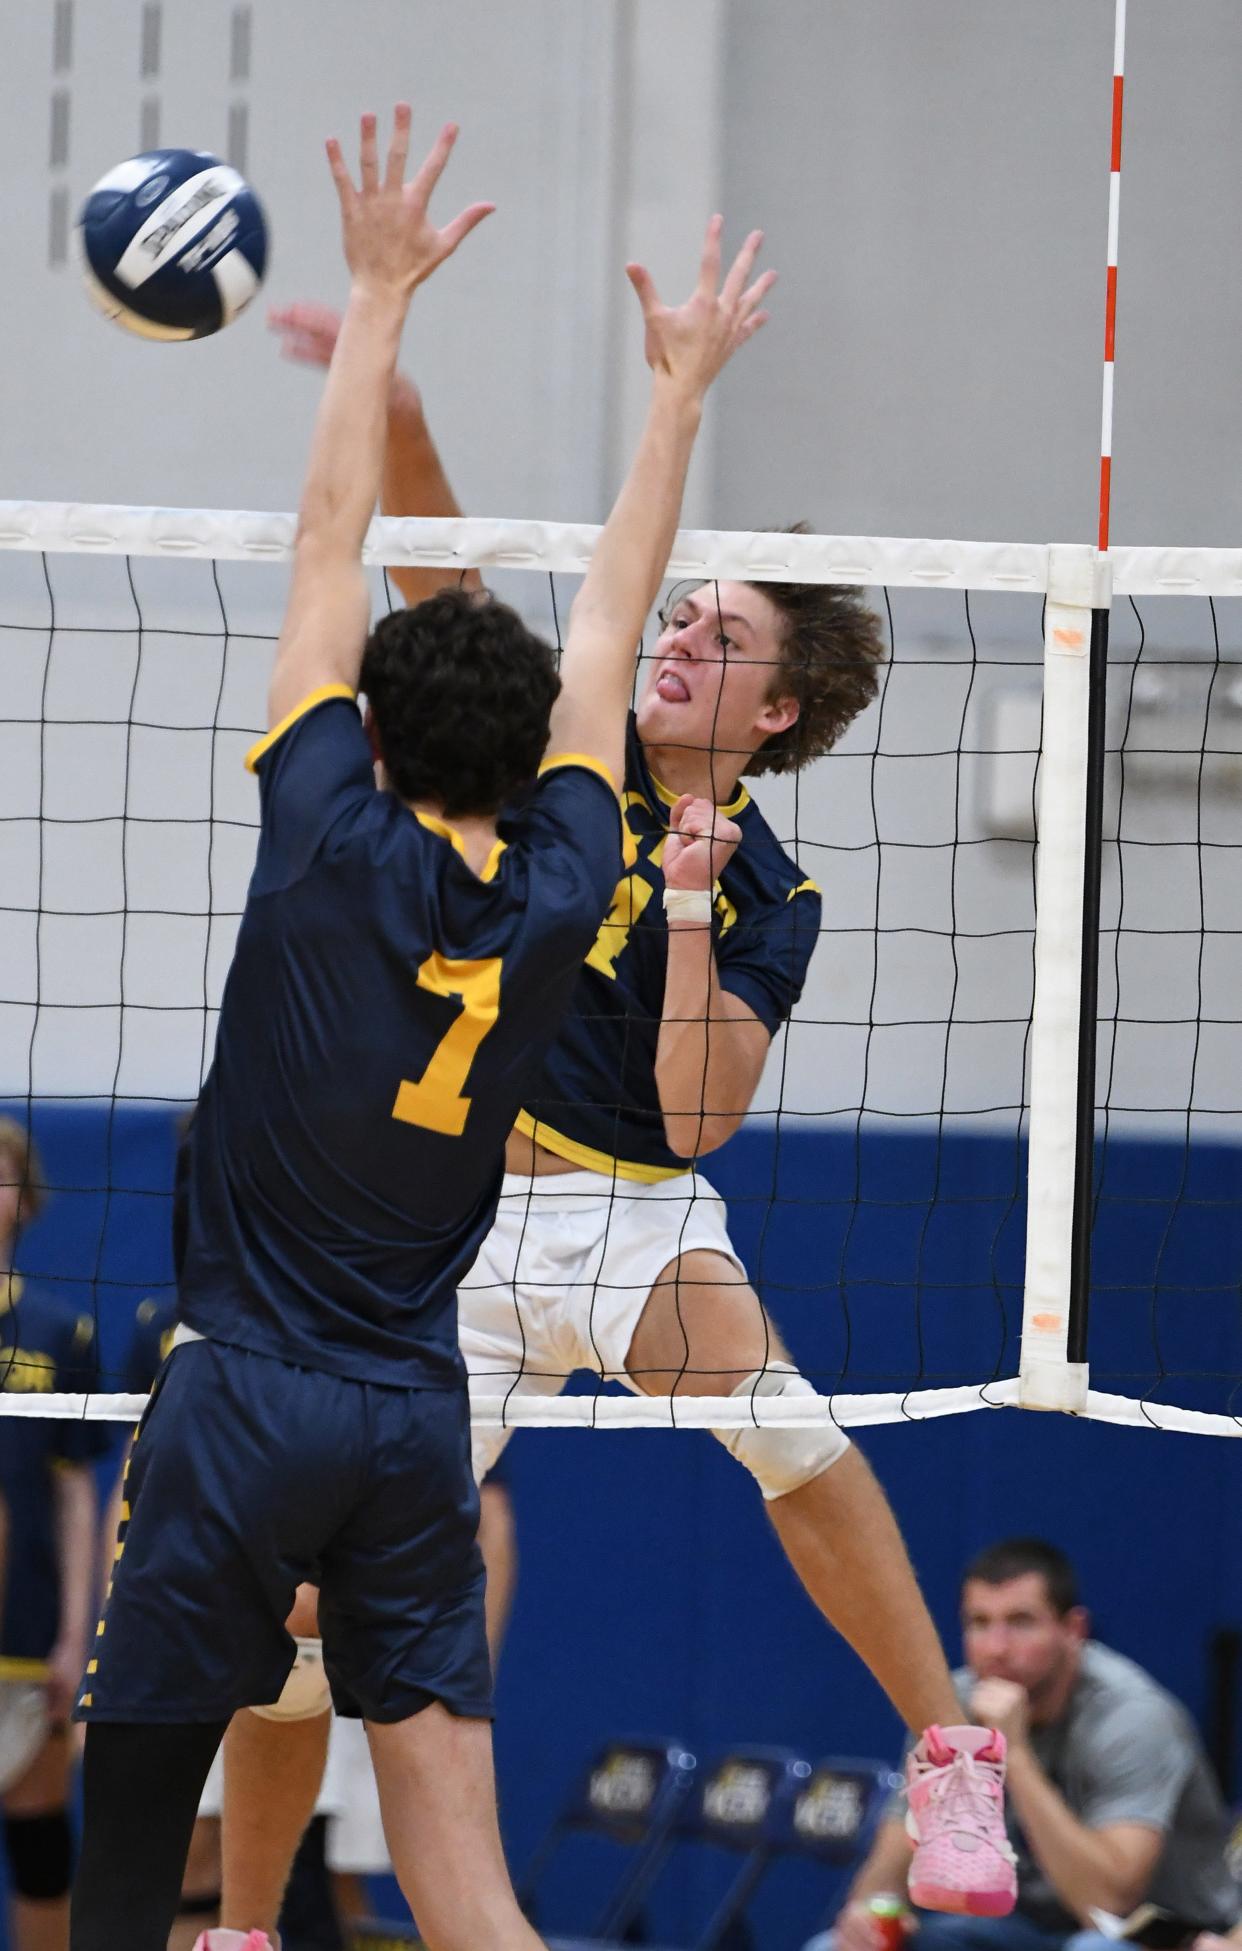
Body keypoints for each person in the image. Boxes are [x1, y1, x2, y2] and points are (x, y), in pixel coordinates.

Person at [225, 268, 1025, 1926]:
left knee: (773, 1411)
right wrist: (393, 392)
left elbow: (695, 1117)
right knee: (290, 1595)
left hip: (624, 1209)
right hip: (443, 1226)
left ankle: (950, 1755)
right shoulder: (551, 750)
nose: (675, 640)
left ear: (777, 708)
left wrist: (679, 901)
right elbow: (440, 573)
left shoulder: (769, 895)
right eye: (676, 616)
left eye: (718, 637)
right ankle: (242, 1914)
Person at [68, 102, 777, 1951]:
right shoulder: (569, 874)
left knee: (139, 1842)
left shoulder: (318, 839)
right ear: (541, 756)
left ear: (367, 736)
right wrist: (676, 396)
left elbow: (329, 536)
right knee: (462, 1889)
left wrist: (375, 297)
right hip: (408, 1414)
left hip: (237, 1391)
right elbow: (608, 623)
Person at [812, 1539, 1240, 1951]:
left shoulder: (1133, 1719)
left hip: (1158, 1936)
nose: (996, 1649)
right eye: (979, 1623)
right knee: (832, 1946)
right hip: (1016, 1927)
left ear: (1073, 1630)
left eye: (1020, 1622)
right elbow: (890, 1867)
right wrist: (868, 1914)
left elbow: (1105, 1905)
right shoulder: (953, 1704)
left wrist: (1012, 1753)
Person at [0, 1115, 107, 1951]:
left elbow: (75, 1496)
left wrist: (78, 1634)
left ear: (24, 1199)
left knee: (40, 1850)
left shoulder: (58, 1331)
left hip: (27, 1634)